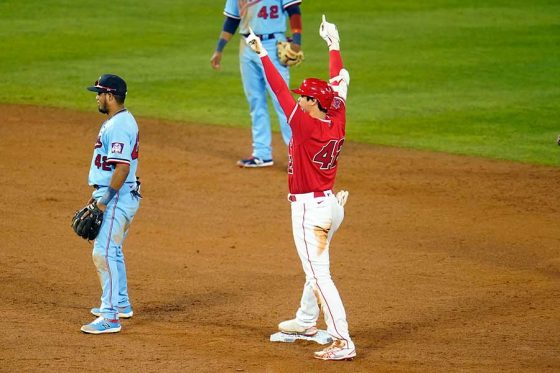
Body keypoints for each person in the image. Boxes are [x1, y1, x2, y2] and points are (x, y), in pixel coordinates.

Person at [245, 16, 356, 360]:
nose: (301, 101)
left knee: (319, 274)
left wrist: (262, 52)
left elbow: (279, 90)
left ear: (313, 104)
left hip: (310, 211)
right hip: (332, 206)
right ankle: (308, 322)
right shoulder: (336, 113)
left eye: (306, 97)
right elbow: (339, 81)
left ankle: (343, 340)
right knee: (314, 268)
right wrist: (333, 44)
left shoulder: (305, 125)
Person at [80, 74, 142, 334]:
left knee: (103, 252)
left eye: (99, 93)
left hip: (116, 196)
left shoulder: (118, 125)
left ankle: (110, 316)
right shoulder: (118, 121)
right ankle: (121, 304)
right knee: (112, 250)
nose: (96, 97)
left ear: (110, 96)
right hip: (118, 194)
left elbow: (122, 168)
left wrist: (103, 202)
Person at [210, 0, 303, 168]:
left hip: (273, 44)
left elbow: (294, 10)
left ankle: (299, 156)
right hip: (246, 47)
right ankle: (262, 154)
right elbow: (232, 21)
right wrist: (219, 49)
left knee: (283, 102)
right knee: (255, 100)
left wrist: (297, 40)